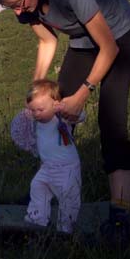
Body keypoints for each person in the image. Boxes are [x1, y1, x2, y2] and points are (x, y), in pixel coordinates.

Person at [0, 0, 130, 244]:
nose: (18, 12)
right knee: (56, 116)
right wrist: (35, 93)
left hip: (118, 36)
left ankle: (120, 214)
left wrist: (83, 94)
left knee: (111, 122)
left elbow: (108, 48)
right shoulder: (26, 5)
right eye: (11, 8)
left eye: (20, 4)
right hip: (83, 41)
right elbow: (48, 41)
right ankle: (46, 191)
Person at [11, 79, 85, 233]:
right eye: (33, 110)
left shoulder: (60, 118)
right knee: (37, 187)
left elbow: (81, 116)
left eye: (40, 109)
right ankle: (37, 218)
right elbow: (18, 126)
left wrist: (65, 108)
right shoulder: (35, 122)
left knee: (68, 197)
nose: (37, 114)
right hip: (47, 167)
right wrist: (28, 110)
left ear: (55, 104)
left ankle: (66, 227)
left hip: (67, 168)